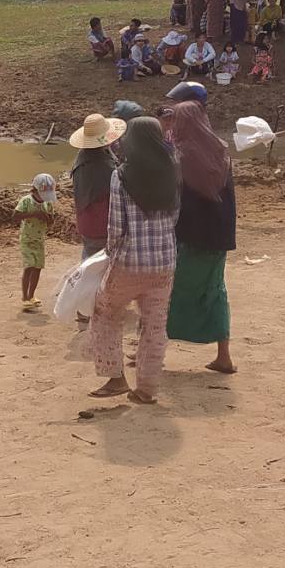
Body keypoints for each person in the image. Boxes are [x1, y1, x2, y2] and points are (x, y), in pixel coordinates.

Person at [86, 116, 180, 403]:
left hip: (129, 263)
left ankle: (116, 378)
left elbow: (116, 227)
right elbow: (175, 216)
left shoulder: (121, 176)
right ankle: (147, 389)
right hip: (165, 262)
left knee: (104, 313)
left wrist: (109, 255)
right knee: (154, 327)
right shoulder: (173, 170)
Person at [165, 101, 237, 375]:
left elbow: (174, 198)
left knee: (170, 291)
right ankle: (224, 356)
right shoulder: (221, 150)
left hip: (190, 236)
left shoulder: (182, 155)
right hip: (219, 236)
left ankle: (151, 349)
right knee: (215, 290)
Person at [69, 113, 123, 260]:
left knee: (89, 259)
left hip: (86, 221)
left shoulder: (83, 157)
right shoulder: (104, 165)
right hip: (101, 224)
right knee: (100, 263)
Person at [14, 173, 57, 312]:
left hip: (39, 240)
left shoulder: (47, 203)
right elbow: (15, 216)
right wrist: (33, 214)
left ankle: (31, 295)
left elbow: (51, 221)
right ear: (35, 190)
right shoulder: (26, 201)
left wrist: (47, 218)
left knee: (38, 267)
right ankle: (25, 297)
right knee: (29, 266)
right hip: (27, 240)